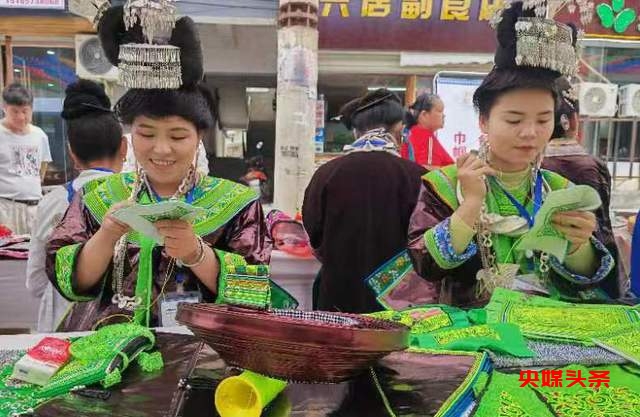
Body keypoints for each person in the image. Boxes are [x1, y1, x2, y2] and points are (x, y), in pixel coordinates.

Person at [46, 4, 275, 331]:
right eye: (146, 134)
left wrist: (197, 254)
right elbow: (68, 281)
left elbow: (255, 292)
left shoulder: (237, 204)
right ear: (130, 134)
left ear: (199, 137)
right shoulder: (98, 197)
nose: (162, 149)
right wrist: (107, 235)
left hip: (201, 347)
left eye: (178, 135)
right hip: (109, 344)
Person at [407, 2, 618, 307]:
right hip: (471, 328)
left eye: (543, 120)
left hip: (542, 325)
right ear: (484, 121)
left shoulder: (559, 189)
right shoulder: (446, 184)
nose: (530, 132)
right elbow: (425, 264)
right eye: (514, 120)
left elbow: (587, 278)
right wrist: (472, 204)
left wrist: (579, 245)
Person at [303, 89, 439, 314]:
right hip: (400, 307)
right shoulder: (419, 176)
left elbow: (314, 233)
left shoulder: (326, 174)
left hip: (338, 299)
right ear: (399, 129)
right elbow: (430, 245)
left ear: (356, 131)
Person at [26, 79, 127, 332]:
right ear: (124, 148)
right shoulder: (138, 200)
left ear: (71, 152)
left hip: (63, 326)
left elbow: (36, 282)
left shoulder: (52, 203)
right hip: (125, 325)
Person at [541, 76, 622, 294]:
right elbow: (603, 226)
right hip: (591, 264)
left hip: (539, 267)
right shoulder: (593, 165)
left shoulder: (528, 163)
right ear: (574, 120)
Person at [0, 83, 52, 234]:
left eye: (25, 111)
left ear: (31, 109)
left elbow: (42, 168)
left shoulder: (40, 135)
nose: (21, 117)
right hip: (5, 207)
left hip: (34, 208)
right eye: (15, 111)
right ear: (4, 108)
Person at [401, 93, 454, 169]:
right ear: (424, 115)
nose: (443, 115)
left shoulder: (411, 134)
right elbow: (426, 171)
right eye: (440, 111)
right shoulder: (427, 139)